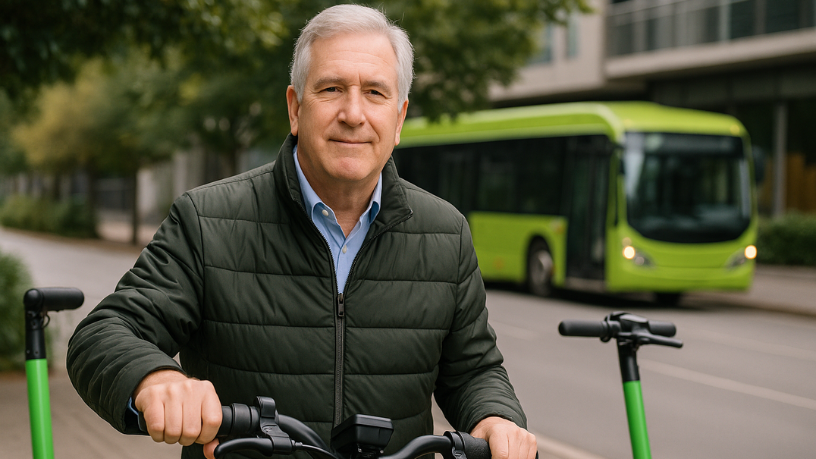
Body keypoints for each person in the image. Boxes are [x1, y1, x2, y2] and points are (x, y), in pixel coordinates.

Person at [67, 5, 537, 459]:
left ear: (398, 119)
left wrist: (495, 417)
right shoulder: (206, 220)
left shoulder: (446, 233)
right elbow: (104, 334)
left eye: (375, 93)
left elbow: (473, 369)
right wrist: (155, 380)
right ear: (295, 109)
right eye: (332, 89)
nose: (353, 113)